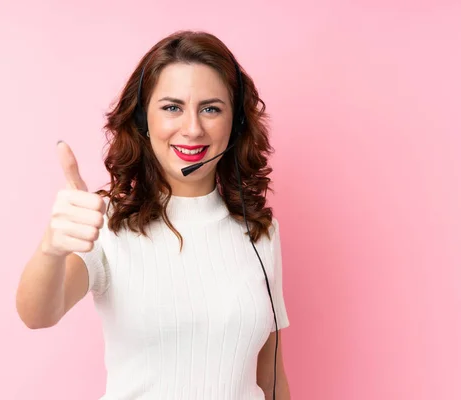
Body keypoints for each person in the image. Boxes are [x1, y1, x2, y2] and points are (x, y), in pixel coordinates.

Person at [16, 30, 291, 400]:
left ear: (236, 122)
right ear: (144, 120)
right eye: (172, 107)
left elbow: (271, 376)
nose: (192, 129)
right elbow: (37, 314)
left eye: (211, 108)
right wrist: (51, 249)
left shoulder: (261, 232)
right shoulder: (105, 221)